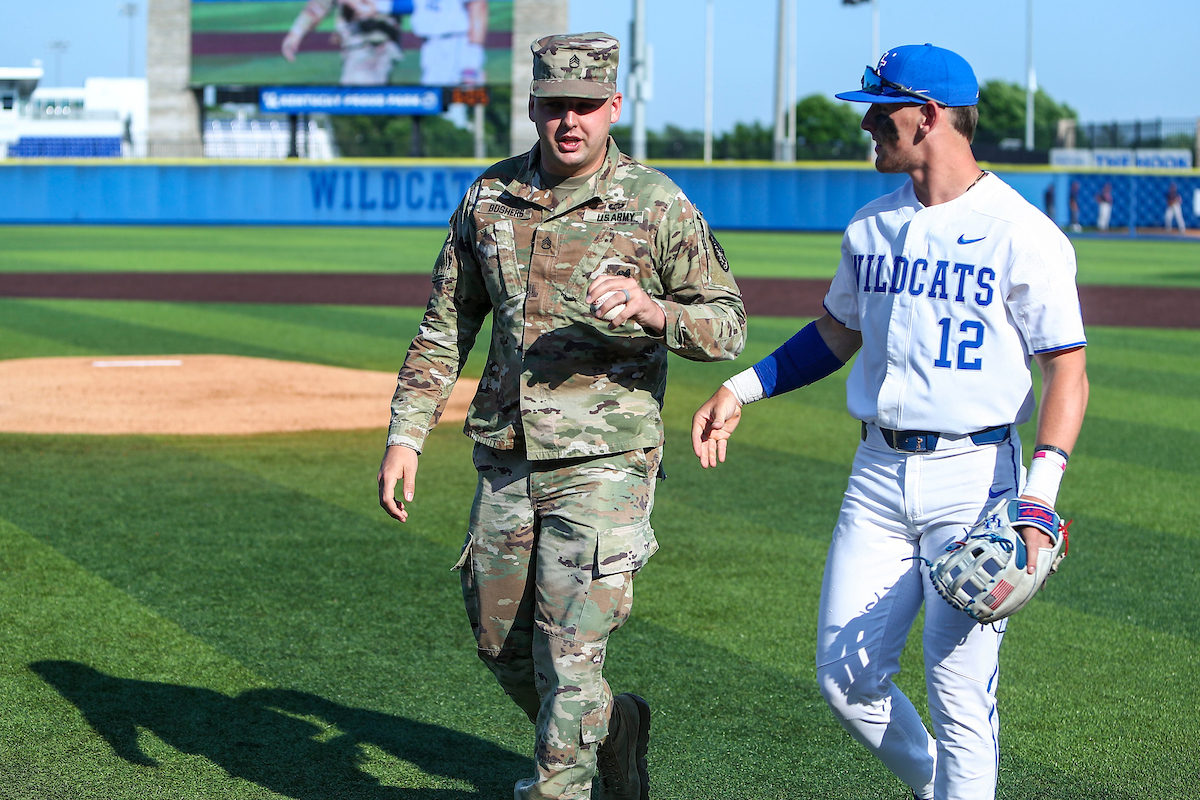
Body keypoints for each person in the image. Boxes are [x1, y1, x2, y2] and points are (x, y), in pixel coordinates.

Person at [691, 44, 1088, 800]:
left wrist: (1040, 495)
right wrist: (741, 388)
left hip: (976, 478)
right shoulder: (870, 226)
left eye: (883, 109)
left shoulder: (1021, 231)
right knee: (846, 678)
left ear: (929, 116)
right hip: (876, 474)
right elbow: (837, 333)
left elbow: (1065, 368)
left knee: (958, 688)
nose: (869, 123)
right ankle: (945, 787)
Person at [378, 32, 746, 800]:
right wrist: (407, 433)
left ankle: (561, 787)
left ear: (614, 106)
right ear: (534, 108)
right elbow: (447, 323)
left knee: (570, 656)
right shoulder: (489, 198)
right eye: (554, 106)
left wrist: (652, 311)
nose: (569, 121)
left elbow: (727, 324)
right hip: (509, 456)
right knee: (501, 643)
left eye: (585, 106)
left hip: (606, 462)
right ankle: (613, 733)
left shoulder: (654, 202)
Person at [281, 0, 408, 86]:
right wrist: (297, 32)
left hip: (377, 43)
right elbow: (320, 4)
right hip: (353, 44)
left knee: (360, 100)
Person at [411, 0, 488, 86]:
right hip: (430, 44)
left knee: (463, 94)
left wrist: (473, 54)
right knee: (432, 94)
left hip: (456, 43)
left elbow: (478, 4)